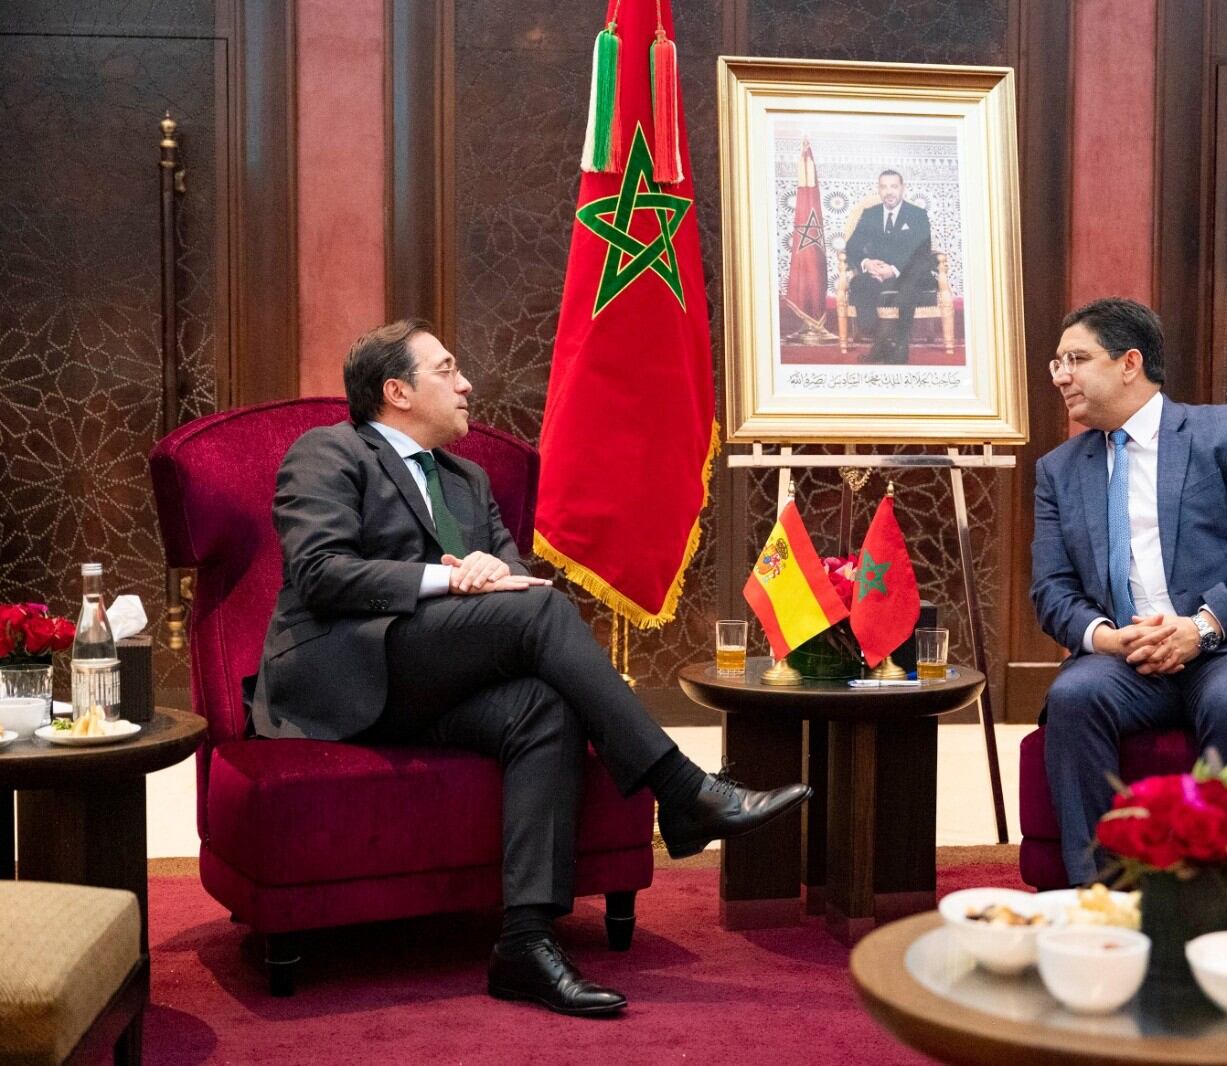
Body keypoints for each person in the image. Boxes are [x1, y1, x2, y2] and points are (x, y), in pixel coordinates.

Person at [249, 319, 810, 1016]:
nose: (466, 384)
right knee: (541, 613)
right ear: (396, 391)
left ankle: (525, 943)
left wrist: (493, 572)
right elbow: (319, 571)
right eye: (446, 370)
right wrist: (448, 578)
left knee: (544, 706)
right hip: (347, 668)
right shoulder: (328, 451)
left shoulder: (467, 479)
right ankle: (681, 789)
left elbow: (511, 580)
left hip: (437, 678)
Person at [1030, 297, 1227, 885]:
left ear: (1129, 363)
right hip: (1129, 655)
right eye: (1058, 362)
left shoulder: (1225, 433)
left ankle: (1225, 895)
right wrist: (1107, 639)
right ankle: (1101, 895)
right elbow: (1052, 590)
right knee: (1074, 696)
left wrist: (1200, 629)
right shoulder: (1058, 470)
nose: (1060, 375)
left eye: (1076, 359)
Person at [842, 169, 937, 363]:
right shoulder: (870, 214)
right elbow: (852, 246)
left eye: (894, 186)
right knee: (859, 284)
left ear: (903, 188)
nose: (889, 192)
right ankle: (881, 341)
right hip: (877, 273)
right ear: (879, 189)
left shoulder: (917, 214)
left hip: (909, 272)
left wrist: (893, 270)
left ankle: (899, 349)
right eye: (884, 187)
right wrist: (867, 263)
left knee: (909, 287)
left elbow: (922, 251)